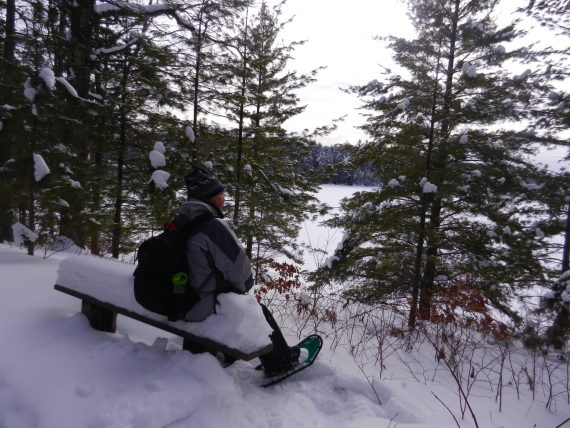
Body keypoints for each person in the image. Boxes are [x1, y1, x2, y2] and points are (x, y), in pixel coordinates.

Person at [180, 165, 300, 375]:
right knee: (255, 310)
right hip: (197, 306)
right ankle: (281, 362)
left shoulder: (180, 219)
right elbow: (243, 277)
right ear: (211, 198)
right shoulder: (212, 227)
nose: (223, 199)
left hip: (178, 300)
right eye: (220, 194)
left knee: (223, 298)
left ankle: (219, 353)